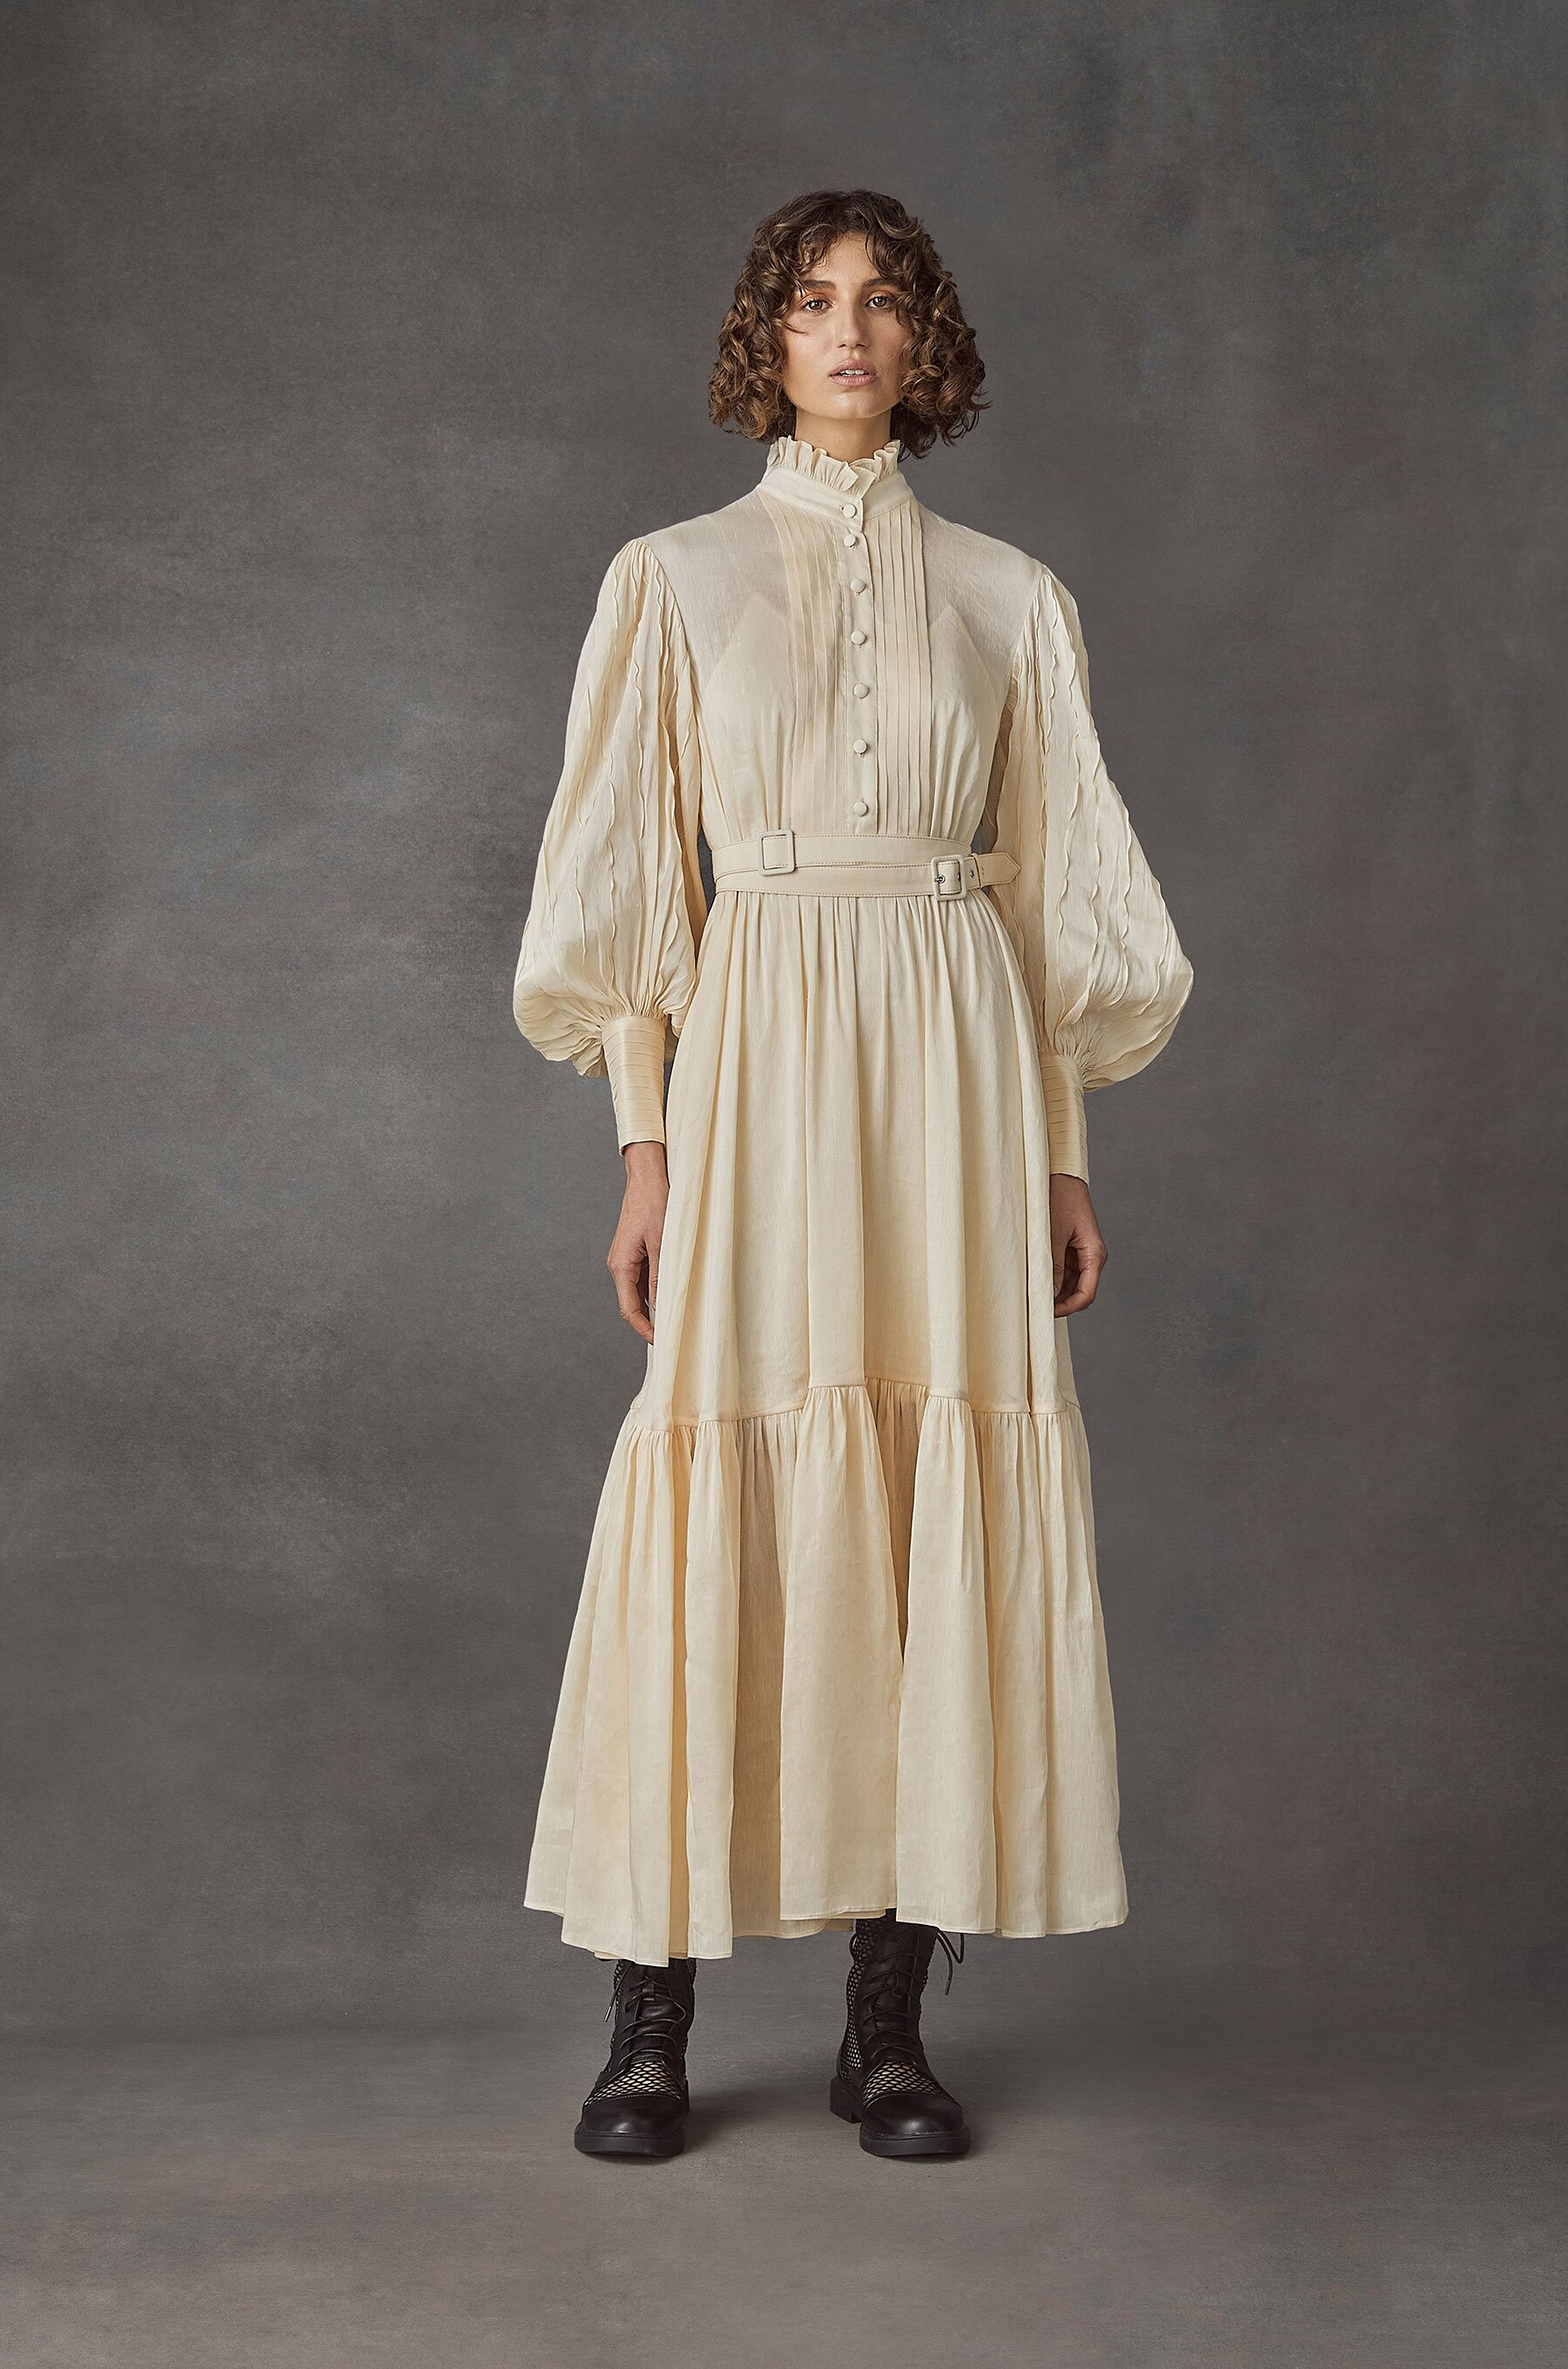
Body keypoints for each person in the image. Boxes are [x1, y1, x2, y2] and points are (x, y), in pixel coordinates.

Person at [512, 189, 1194, 2162]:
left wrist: (1062, 1155)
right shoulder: (672, 580)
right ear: (767, 335)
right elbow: (630, 896)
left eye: (885, 302)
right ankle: (649, 2025)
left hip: (959, 1069)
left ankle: (884, 2034)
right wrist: (644, 1145)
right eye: (812, 301)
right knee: (717, 1461)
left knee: (922, 1490)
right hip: (758, 1054)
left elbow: (1052, 909)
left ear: (925, 342)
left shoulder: (1010, 596)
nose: (848, 331)